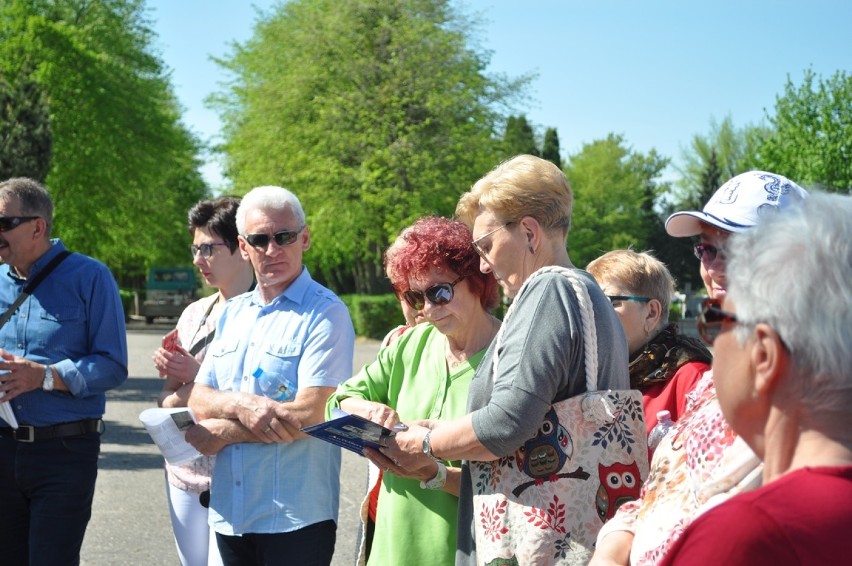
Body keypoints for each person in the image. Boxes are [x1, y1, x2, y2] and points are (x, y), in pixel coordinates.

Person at [388, 155, 630, 564]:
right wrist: (449, 428)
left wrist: (425, 441)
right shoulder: (586, 291)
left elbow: (506, 423)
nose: (482, 263)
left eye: (486, 246)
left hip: (535, 541)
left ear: (530, 233)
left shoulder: (545, 292)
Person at [591, 170, 809, 566]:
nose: (715, 266)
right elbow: (660, 488)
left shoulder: (812, 381)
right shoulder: (713, 380)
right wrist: (613, 544)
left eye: (740, 246)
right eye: (707, 249)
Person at [661, 192, 852, 564]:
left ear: (764, 355)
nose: (709, 337)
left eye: (715, 321)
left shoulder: (747, 538)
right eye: (706, 250)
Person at [185, 186, 355, 566]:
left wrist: (225, 431)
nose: (272, 249)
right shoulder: (233, 312)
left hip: (296, 518)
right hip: (232, 512)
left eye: (284, 237)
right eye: (260, 240)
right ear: (243, 247)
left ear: (305, 238)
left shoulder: (326, 313)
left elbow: (314, 413)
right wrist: (241, 405)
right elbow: (199, 395)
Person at [327, 216, 501, 565]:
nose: (429, 310)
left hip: (465, 550)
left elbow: (514, 484)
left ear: (477, 281)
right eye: (415, 297)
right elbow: (336, 403)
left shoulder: (511, 356)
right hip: (391, 550)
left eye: (440, 292)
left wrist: (434, 474)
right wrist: (367, 411)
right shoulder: (413, 343)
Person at [0, 177, 128, 564]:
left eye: (3, 223)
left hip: (64, 451)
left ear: (37, 226)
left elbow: (112, 365)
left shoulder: (90, 277)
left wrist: (45, 376)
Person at [152, 196, 254, 566]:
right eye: (195, 249)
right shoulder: (194, 314)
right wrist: (179, 391)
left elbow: (265, 400)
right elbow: (165, 398)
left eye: (208, 249)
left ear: (242, 248)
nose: (198, 260)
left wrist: (195, 383)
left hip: (240, 472)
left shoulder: (268, 313)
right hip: (184, 471)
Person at [587, 250, 711, 433]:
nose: (593, 313)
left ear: (651, 313)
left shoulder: (692, 378)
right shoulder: (593, 377)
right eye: (589, 302)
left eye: (609, 301)